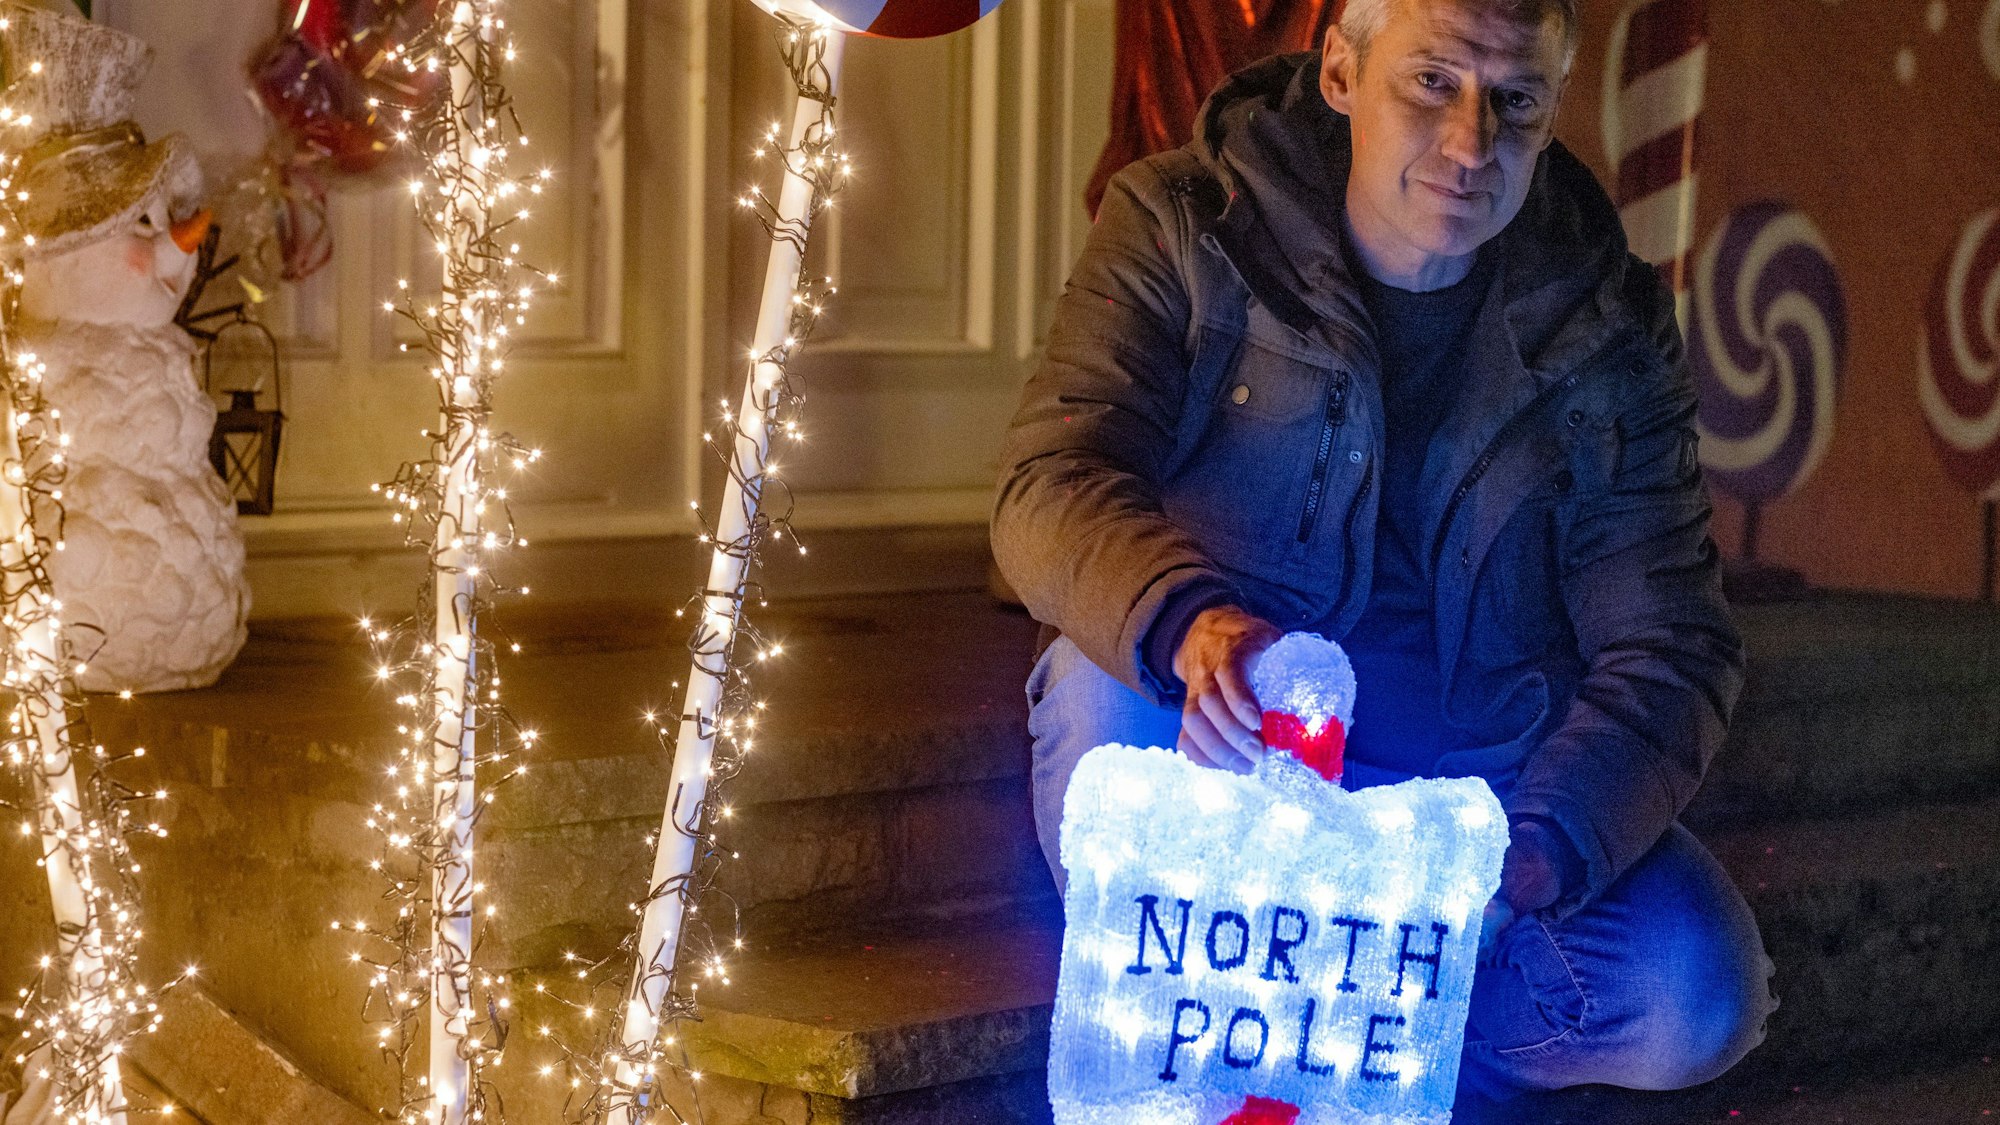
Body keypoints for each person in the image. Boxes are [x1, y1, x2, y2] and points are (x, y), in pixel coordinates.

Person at [991, 0, 1777, 1101]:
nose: (1470, 143)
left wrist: (1531, 853)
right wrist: (1187, 622)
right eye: (1432, 83)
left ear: (1552, 111)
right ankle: (1228, 1033)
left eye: (1514, 101)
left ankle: (1361, 1051)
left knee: (1692, 989)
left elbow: (1671, 644)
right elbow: (1048, 481)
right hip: (1226, 736)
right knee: (1098, 686)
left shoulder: (1603, 322)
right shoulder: (1185, 223)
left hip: (1459, 800)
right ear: (1340, 73)